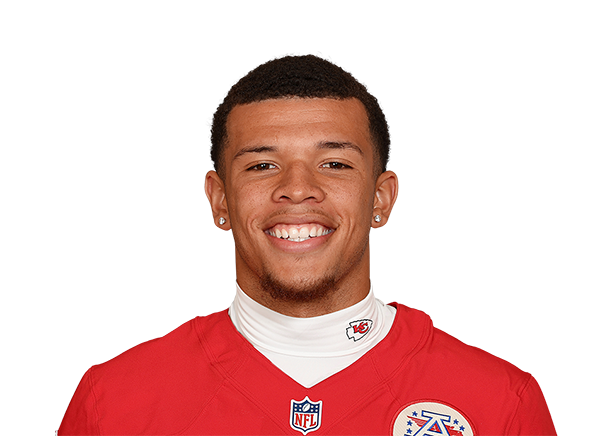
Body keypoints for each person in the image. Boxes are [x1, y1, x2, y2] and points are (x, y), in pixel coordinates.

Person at [59, 54, 557, 435]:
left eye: (334, 164)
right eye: (262, 165)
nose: (297, 189)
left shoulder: (499, 402)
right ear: (220, 200)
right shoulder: (115, 402)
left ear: (381, 198)